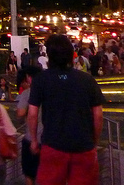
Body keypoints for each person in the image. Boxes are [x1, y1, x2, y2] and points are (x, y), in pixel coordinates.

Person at [28, 34, 105, 185]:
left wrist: (34, 140)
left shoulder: (41, 80)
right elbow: (98, 115)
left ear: (49, 55)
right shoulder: (87, 80)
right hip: (83, 146)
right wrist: (94, 141)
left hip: (53, 145)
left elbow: (32, 113)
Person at [16, 66, 42, 185]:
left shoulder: (28, 93)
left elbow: (20, 113)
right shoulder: (50, 91)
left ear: (29, 78)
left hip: (32, 139)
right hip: (49, 139)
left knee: (29, 174)